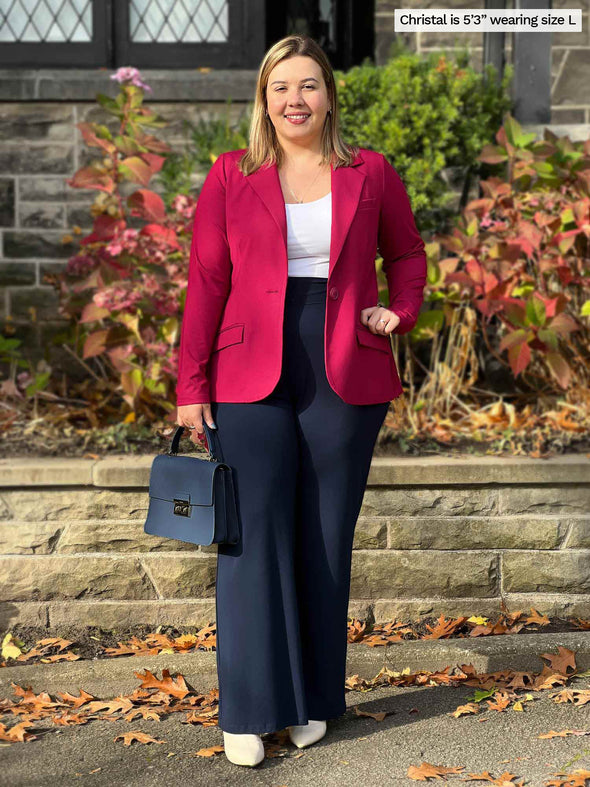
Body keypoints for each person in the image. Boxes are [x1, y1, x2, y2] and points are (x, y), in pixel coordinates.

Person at [175, 34, 427, 767]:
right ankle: (251, 711)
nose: (296, 99)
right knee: (252, 536)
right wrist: (191, 386)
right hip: (247, 368)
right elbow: (206, 284)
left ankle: (314, 698)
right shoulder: (231, 175)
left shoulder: (369, 171)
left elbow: (406, 253)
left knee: (323, 537)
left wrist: (398, 313)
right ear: (264, 97)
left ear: (328, 96)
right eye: (282, 86)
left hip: (344, 367)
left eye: (309, 85)